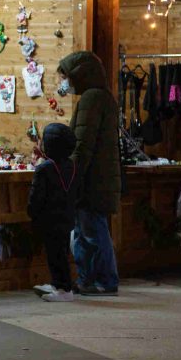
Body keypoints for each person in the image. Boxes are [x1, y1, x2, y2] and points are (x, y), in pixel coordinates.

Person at [57, 51, 121, 296]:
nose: (65, 83)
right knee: (90, 231)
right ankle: (94, 280)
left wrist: (71, 174)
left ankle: (102, 280)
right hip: (99, 178)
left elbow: (82, 144)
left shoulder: (91, 99)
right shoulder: (102, 97)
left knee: (91, 233)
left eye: (67, 77)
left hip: (92, 180)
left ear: (79, 75)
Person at [28, 123, 80, 302]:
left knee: (55, 255)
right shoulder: (72, 165)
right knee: (61, 253)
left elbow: (36, 196)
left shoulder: (44, 169)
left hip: (49, 219)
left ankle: (63, 289)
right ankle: (58, 283)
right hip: (67, 217)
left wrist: (32, 213)